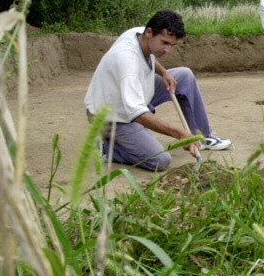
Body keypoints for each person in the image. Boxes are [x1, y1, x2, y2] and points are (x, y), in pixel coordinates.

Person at [84, 9, 231, 171]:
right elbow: (137, 113)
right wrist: (180, 134)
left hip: (133, 94)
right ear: (149, 32)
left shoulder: (139, 33)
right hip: (113, 115)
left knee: (184, 76)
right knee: (160, 160)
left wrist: (164, 73)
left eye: (172, 45)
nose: (168, 50)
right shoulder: (127, 61)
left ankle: (202, 136)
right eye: (165, 43)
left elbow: (149, 55)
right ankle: (108, 148)